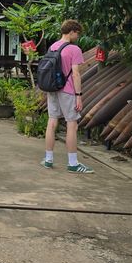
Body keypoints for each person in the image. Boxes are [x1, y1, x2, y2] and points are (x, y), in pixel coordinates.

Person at [42, 19, 94, 174]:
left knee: (52, 121)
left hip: (52, 88)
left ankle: (48, 159)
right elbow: (76, 73)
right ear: (71, 32)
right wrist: (79, 95)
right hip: (68, 90)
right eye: (77, 33)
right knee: (72, 124)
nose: (78, 36)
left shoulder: (53, 46)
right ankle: (73, 163)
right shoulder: (74, 49)